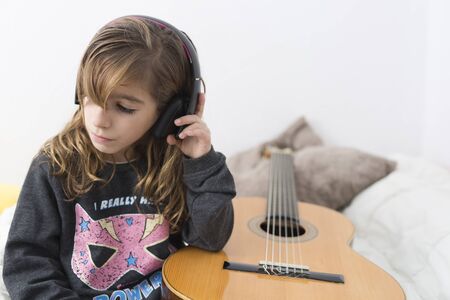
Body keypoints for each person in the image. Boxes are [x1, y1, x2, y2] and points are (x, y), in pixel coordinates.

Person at [3, 15, 235, 300]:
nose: (99, 121)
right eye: (90, 97)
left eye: (124, 107)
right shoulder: (54, 166)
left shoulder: (177, 161)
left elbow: (210, 240)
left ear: (170, 112)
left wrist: (202, 163)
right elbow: (26, 265)